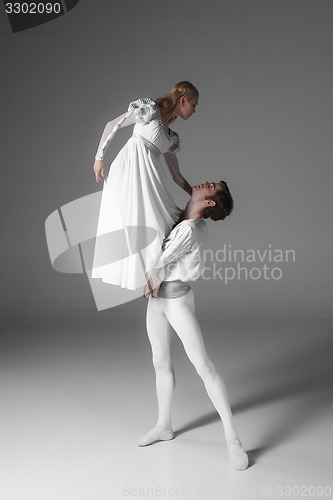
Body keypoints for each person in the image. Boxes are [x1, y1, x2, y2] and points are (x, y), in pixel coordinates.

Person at [138, 180, 249, 471]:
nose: (206, 182)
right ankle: (164, 426)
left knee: (203, 366)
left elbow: (158, 263)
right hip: (157, 302)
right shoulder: (183, 218)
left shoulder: (189, 229)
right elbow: (172, 187)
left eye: (211, 187)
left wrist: (149, 280)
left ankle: (233, 439)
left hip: (176, 302)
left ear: (210, 202)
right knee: (160, 361)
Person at [91, 82, 199, 290]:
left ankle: (156, 278)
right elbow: (112, 125)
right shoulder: (150, 112)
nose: (195, 110)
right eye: (194, 105)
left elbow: (176, 176)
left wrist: (193, 194)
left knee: (165, 224)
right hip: (128, 172)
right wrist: (99, 157)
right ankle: (149, 280)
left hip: (149, 179)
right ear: (183, 101)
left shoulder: (171, 138)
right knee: (136, 224)